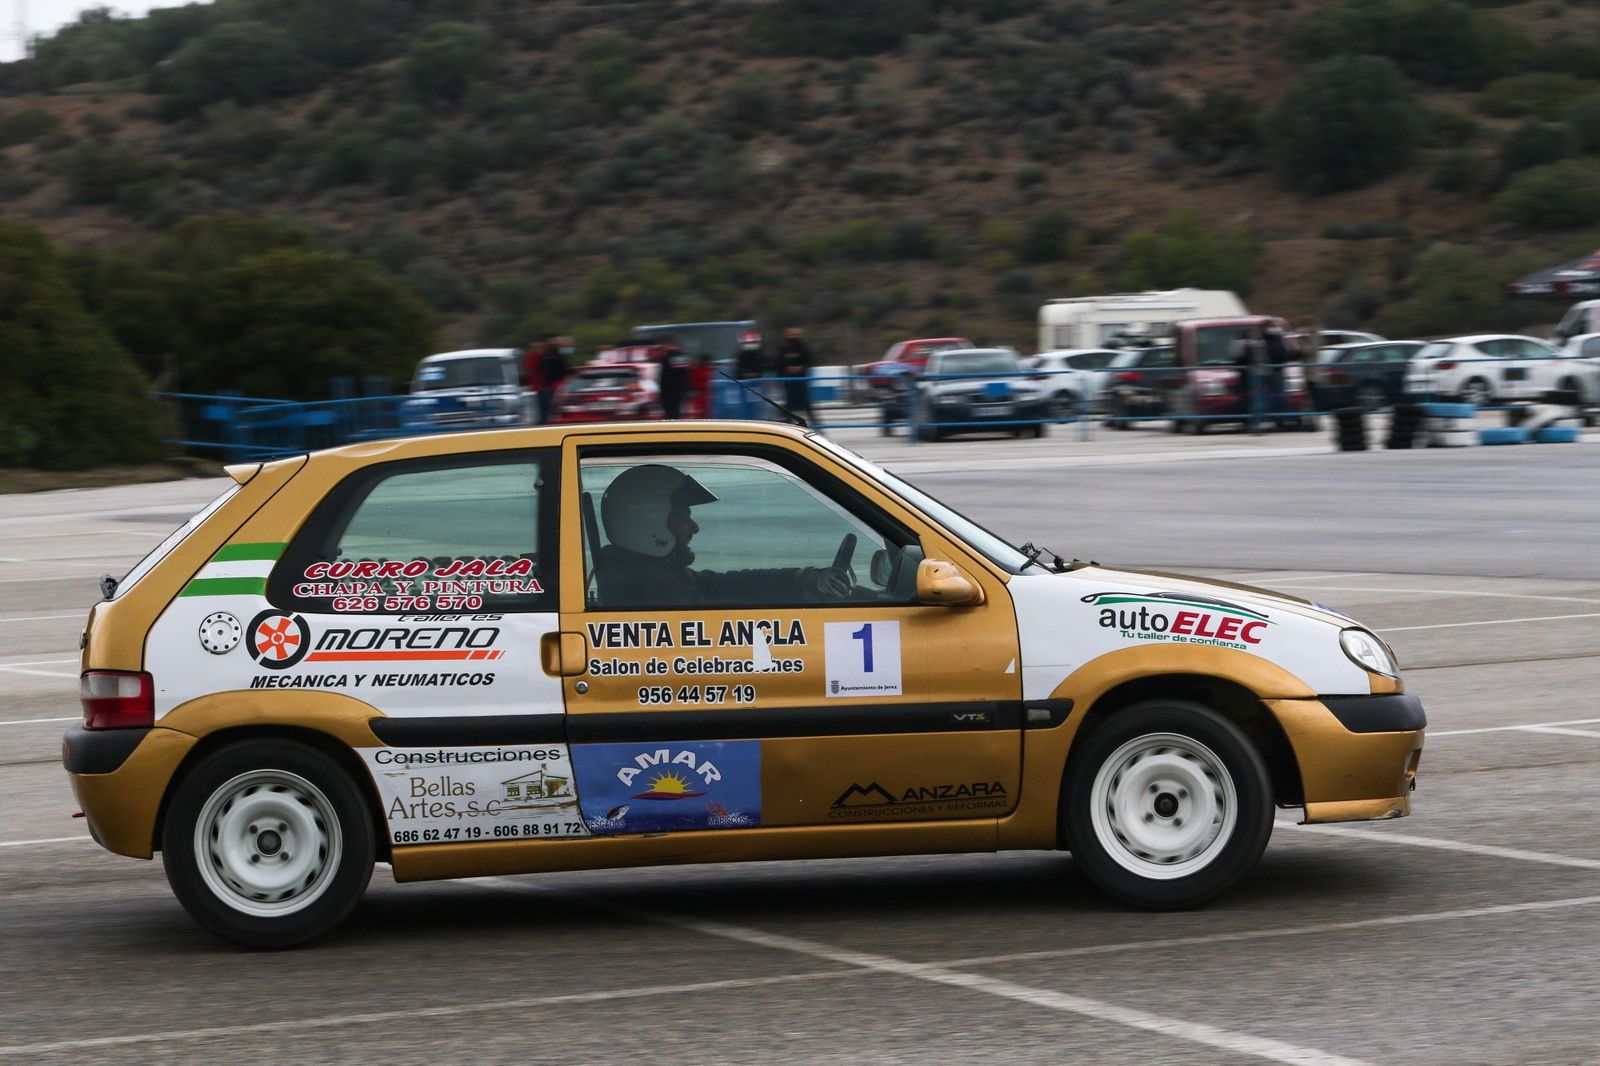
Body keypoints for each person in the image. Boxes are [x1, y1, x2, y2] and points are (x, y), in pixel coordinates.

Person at [593, 464, 851, 607]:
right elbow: (723, 602)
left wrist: (798, 579)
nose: (694, 528)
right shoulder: (655, 586)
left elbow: (722, 584)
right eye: (685, 517)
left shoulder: (646, 571)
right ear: (650, 523)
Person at [776, 327, 813, 421]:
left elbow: (808, 361)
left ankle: (816, 424)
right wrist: (786, 371)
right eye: (791, 334)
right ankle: (788, 423)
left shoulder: (802, 347)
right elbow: (779, 363)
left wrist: (800, 368)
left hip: (801, 380)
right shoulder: (783, 348)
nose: (793, 336)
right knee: (789, 404)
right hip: (788, 381)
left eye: (795, 334)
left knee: (806, 403)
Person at [537, 336, 571, 424]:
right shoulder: (551, 354)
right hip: (552, 383)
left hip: (553, 383)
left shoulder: (554, 354)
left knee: (552, 406)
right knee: (550, 406)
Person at [657, 338, 689, 419]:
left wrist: (661, 391)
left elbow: (665, 376)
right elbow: (684, 373)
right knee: (677, 412)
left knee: (670, 413)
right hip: (680, 390)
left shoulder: (667, 357)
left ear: (667, 345)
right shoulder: (682, 357)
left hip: (668, 391)